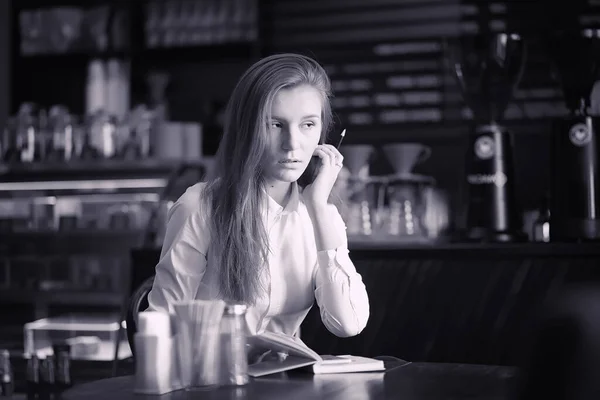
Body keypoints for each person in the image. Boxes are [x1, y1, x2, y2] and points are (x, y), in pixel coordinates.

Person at [146, 53, 370, 341]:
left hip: (281, 381)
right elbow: (162, 326)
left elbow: (348, 324)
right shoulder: (200, 207)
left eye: (308, 125)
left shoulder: (319, 215)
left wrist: (318, 207)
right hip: (209, 379)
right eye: (274, 125)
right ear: (247, 129)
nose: (292, 144)